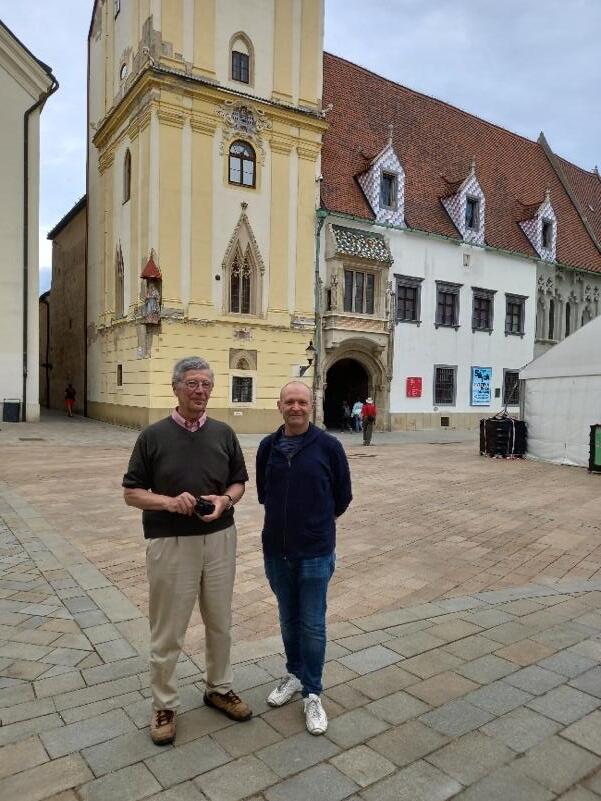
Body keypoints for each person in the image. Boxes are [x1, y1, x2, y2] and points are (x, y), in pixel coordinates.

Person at [122, 356, 252, 746]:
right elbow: (131, 493)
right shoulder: (152, 436)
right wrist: (167, 502)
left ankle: (219, 688)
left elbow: (239, 483)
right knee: (168, 628)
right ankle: (164, 704)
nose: (200, 391)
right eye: (192, 383)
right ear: (176, 388)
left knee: (220, 621)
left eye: (206, 384)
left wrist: (226, 501)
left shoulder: (224, 433)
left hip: (219, 538)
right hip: (170, 541)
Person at [256, 381, 352, 735]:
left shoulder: (328, 446)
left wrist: (315, 525)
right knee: (287, 619)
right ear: (279, 405)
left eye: (302, 402)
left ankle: (313, 692)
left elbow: (343, 496)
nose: (296, 407)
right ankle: (294, 675)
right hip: (277, 551)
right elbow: (264, 494)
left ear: (311, 406)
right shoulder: (267, 447)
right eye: (290, 402)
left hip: (314, 551)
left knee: (312, 623)